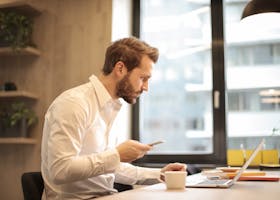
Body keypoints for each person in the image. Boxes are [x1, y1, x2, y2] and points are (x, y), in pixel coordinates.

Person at [41, 37, 186, 200]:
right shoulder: (74, 103)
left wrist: (160, 174)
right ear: (120, 68)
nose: (146, 88)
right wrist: (116, 155)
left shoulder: (111, 107)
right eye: (143, 78)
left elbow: (107, 167)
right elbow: (60, 170)